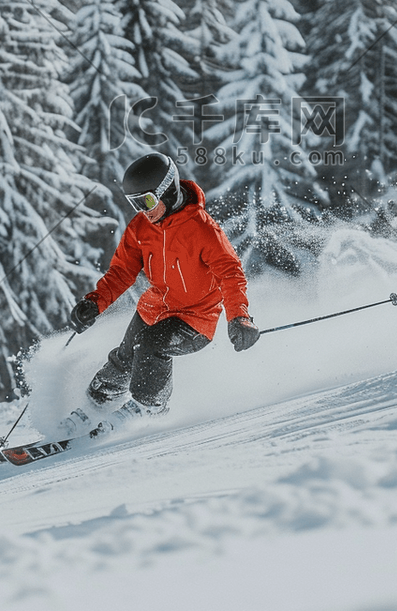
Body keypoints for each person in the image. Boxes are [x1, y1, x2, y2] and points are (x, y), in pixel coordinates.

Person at [64, 152, 259, 435]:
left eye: (147, 201)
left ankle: (150, 405)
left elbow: (231, 273)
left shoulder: (202, 229)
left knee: (151, 344)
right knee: (124, 357)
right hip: (154, 308)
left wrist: (239, 317)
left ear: (167, 190)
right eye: (135, 203)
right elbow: (121, 272)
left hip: (195, 319)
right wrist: (95, 303)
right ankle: (94, 406)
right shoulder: (140, 227)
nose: (143, 210)